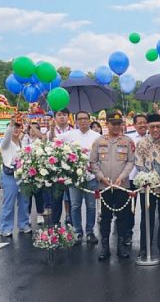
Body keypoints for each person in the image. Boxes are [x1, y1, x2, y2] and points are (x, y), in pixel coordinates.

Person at [89, 111, 135, 261]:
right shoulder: (98, 141)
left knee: (123, 217)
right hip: (104, 186)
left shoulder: (127, 141)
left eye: (118, 124)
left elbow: (130, 161)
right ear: (107, 124)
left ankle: (121, 246)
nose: (116, 127)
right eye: (113, 124)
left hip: (122, 185)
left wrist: (122, 177)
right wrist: (101, 177)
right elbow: (93, 162)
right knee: (105, 218)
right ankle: (105, 247)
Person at [134, 113, 160, 259]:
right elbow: (138, 162)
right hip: (147, 187)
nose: (155, 129)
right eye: (152, 127)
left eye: (158, 126)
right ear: (148, 127)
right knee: (147, 218)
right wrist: (147, 178)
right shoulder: (142, 143)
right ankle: (144, 248)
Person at [57, 111, 101, 244]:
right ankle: (77, 231)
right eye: (80, 119)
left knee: (91, 206)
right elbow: (55, 140)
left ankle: (90, 231)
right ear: (75, 121)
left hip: (91, 176)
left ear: (89, 120)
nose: (83, 121)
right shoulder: (70, 135)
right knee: (75, 205)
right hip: (74, 177)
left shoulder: (97, 136)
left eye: (85, 119)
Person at [0, 116, 31, 237]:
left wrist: (27, 125)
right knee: (9, 202)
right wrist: (11, 124)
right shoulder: (6, 143)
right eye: (14, 127)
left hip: (22, 175)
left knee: (24, 202)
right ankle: (6, 228)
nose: (16, 129)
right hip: (9, 175)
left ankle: (23, 224)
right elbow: (7, 136)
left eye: (18, 127)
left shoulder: (22, 142)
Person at [124, 113, 149, 247]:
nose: (142, 125)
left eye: (144, 122)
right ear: (134, 125)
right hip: (131, 178)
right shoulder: (129, 139)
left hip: (148, 179)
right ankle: (128, 234)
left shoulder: (152, 138)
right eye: (139, 122)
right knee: (130, 209)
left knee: (147, 209)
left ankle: (146, 237)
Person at [46, 109, 74, 226]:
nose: (62, 117)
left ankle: (72, 222)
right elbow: (51, 140)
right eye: (59, 115)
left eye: (64, 115)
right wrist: (52, 128)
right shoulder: (51, 131)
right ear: (55, 117)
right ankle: (55, 223)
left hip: (71, 169)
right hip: (56, 170)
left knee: (72, 199)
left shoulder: (74, 131)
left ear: (68, 116)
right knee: (56, 198)